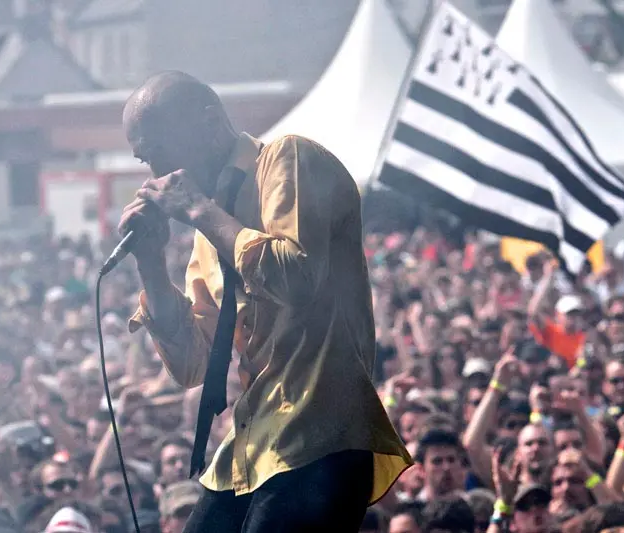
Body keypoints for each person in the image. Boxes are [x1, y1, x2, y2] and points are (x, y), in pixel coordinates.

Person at [118, 70, 411, 531]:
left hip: (321, 436)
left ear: (210, 125)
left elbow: (297, 278)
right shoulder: (210, 227)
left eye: (158, 152)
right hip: (253, 443)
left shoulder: (289, 160)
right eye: (144, 161)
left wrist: (200, 210)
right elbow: (194, 363)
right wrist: (151, 264)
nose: (154, 175)